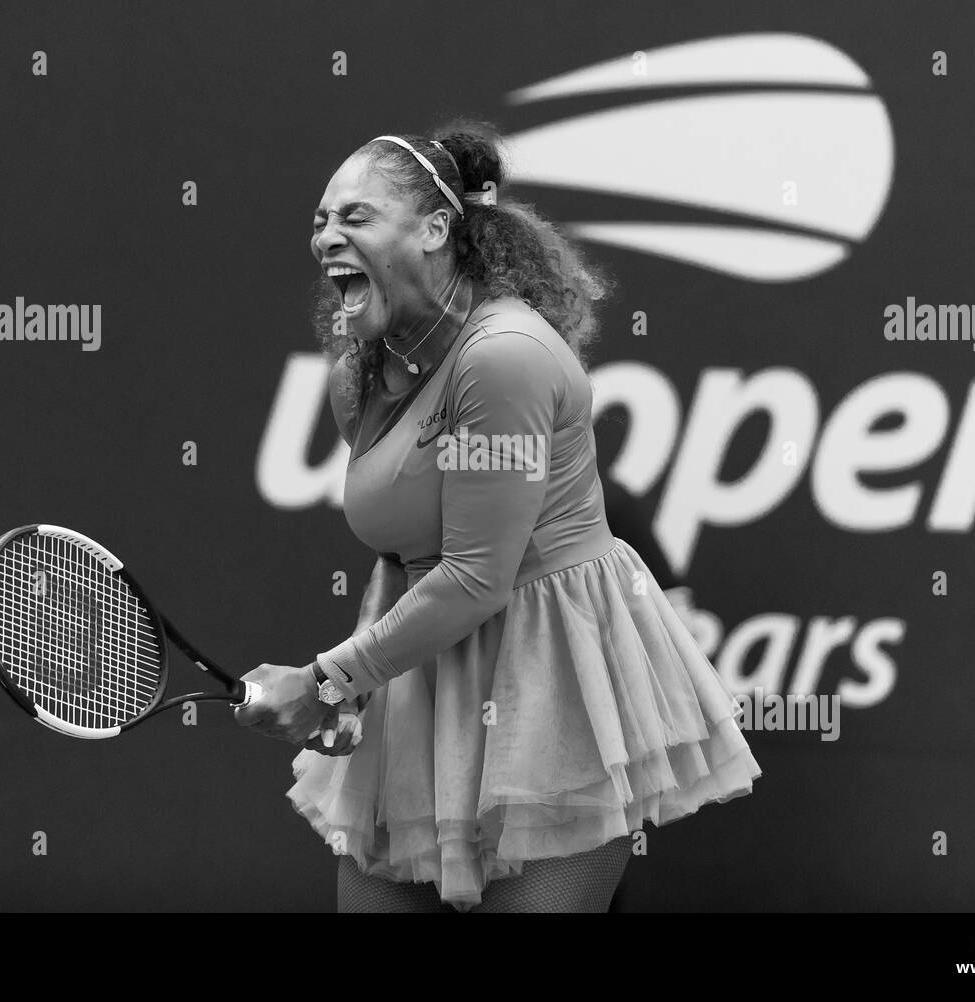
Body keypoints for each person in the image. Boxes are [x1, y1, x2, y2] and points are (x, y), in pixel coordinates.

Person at [235, 120, 762, 912]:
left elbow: (479, 576)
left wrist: (327, 679)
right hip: (422, 677)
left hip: (549, 681)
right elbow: (407, 555)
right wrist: (359, 693)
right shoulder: (361, 374)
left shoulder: (503, 357)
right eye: (320, 220)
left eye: (356, 217)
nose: (327, 237)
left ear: (437, 229)